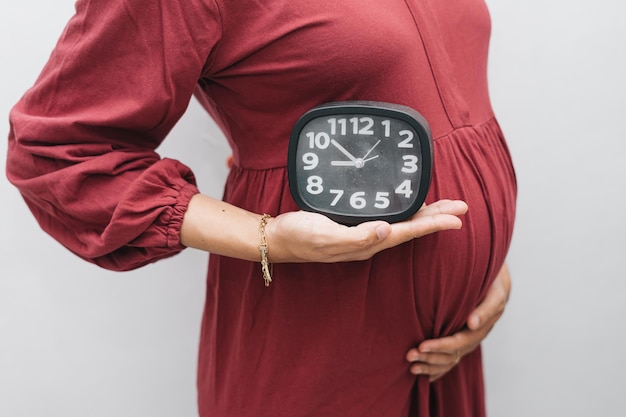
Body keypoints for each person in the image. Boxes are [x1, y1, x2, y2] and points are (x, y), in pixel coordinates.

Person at [6, 0, 516, 416]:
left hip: (448, 346)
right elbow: (56, 149)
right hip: (322, 323)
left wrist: (482, 252)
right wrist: (264, 237)